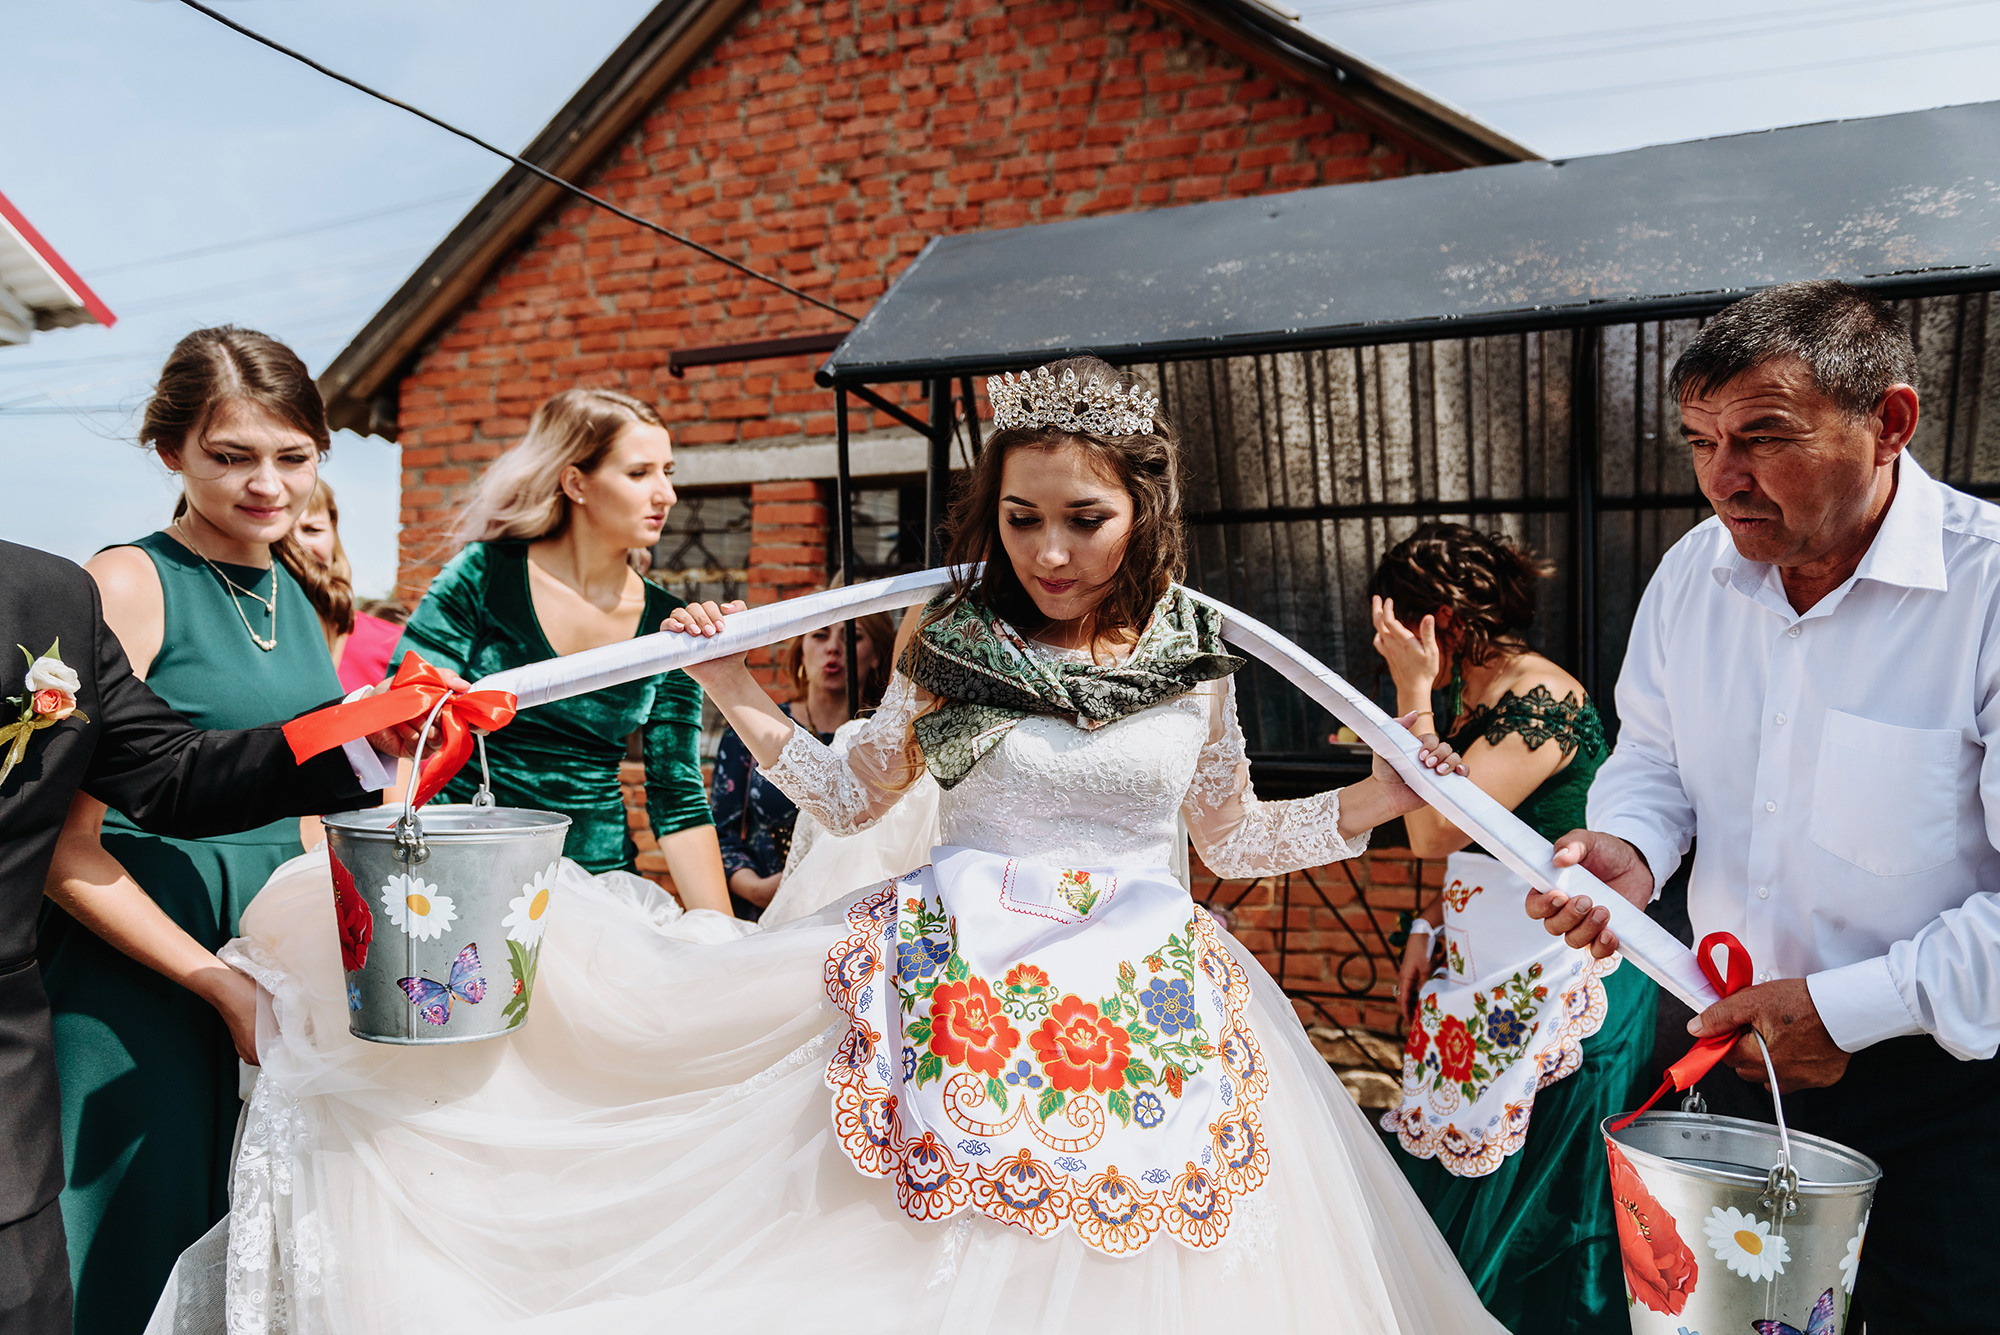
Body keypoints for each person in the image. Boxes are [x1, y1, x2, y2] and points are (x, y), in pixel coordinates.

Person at [197, 356, 1502, 1333]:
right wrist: (734, 685)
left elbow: (1234, 834)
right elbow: (848, 793)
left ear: (1142, 511)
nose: (1047, 549)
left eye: (1083, 518)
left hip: (1151, 1013)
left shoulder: (1197, 666)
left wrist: (1383, 794)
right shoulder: (952, 650)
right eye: (1021, 516)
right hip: (954, 991)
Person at [1531, 281, 2000, 1331]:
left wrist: (1843, 1011)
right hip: (1727, 1055)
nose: (1720, 480)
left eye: (1763, 437)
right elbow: (1652, 751)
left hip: (1950, 1082)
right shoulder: (1689, 576)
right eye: (1698, 441)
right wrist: (1630, 848)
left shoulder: (1987, 589)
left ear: (1887, 422)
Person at [27, 327, 384, 1335]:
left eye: (294, 457)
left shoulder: (297, 596)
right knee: (137, 1245)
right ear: (169, 454)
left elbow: (310, 811)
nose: (267, 485)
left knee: (254, 1249)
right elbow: (60, 845)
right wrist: (214, 984)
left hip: (276, 972)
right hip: (139, 978)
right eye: (231, 457)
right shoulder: (126, 584)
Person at [1365, 524, 1652, 1335]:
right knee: (1458, 1194)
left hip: (1565, 989)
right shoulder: (1473, 699)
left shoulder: (1544, 698)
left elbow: (1430, 831)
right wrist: (1427, 922)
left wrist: (1411, 694)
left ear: (1441, 621)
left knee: (1542, 1220)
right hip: (1485, 983)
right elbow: (1483, 842)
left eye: (1396, 629)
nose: (1384, 647)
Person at [394, 387, 730, 911]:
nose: (667, 494)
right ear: (576, 482)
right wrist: (390, 872)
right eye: (640, 473)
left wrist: (723, 940)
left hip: (598, 892)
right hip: (456, 878)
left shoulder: (674, 624)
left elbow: (678, 795)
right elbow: (403, 728)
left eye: (669, 472)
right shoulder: (483, 575)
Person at [710, 615, 893, 919]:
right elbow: (719, 833)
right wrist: (757, 888)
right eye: (820, 636)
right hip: (759, 913)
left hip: (853, 916)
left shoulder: (886, 741)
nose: (833, 648)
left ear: (876, 655)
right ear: (801, 650)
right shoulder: (753, 729)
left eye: (852, 637)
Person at [287, 479, 402, 691]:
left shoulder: (389, 644)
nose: (298, 545)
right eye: (283, 535)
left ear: (333, 534)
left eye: (312, 529)